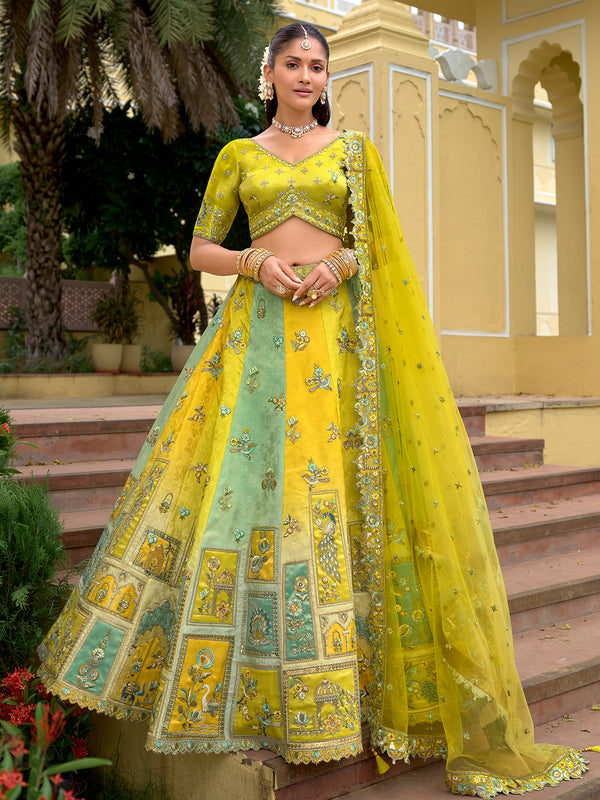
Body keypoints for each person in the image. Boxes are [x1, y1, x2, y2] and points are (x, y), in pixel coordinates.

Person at [38, 22, 589, 797]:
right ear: (268, 73)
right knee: (246, 492)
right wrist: (256, 262)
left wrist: (338, 265)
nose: (305, 75)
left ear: (327, 79)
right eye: (292, 63)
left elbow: (380, 247)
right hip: (256, 343)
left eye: (317, 66)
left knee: (337, 497)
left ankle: (352, 690)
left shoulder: (354, 153)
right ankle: (253, 679)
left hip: (337, 348)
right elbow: (200, 249)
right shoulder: (240, 156)